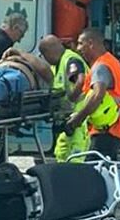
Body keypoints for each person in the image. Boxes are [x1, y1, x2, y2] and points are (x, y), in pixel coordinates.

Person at [66, 28, 120, 160]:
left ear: (91, 43)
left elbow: (97, 94)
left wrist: (79, 118)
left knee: (94, 172)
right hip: (112, 129)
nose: (78, 48)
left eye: (81, 43)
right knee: (106, 173)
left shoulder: (101, 66)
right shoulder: (111, 62)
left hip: (105, 130)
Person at [38, 35, 90, 163]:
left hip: (80, 119)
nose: (46, 60)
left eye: (44, 56)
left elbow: (80, 81)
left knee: (76, 158)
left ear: (49, 52)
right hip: (68, 120)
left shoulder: (70, 60)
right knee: (61, 153)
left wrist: (72, 98)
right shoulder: (57, 65)